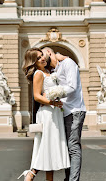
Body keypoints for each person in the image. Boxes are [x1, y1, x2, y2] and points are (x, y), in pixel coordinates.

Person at [18, 47, 70, 181]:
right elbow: (36, 96)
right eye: (38, 58)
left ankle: (45, 178)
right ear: (33, 62)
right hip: (48, 114)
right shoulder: (38, 74)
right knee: (47, 145)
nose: (42, 58)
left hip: (55, 113)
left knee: (51, 147)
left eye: (42, 55)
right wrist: (52, 102)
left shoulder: (47, 71)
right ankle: (31, 174)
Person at [42, 47, 86, 181]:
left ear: (49, 52)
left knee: (73, 147)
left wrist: (51, 93)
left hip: (75, 110)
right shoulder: (55, 70)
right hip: (64, 112)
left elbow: (72, 87)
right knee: (66, 148)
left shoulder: (68, 63)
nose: (42, 58)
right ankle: (68, 178)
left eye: (43, 55)